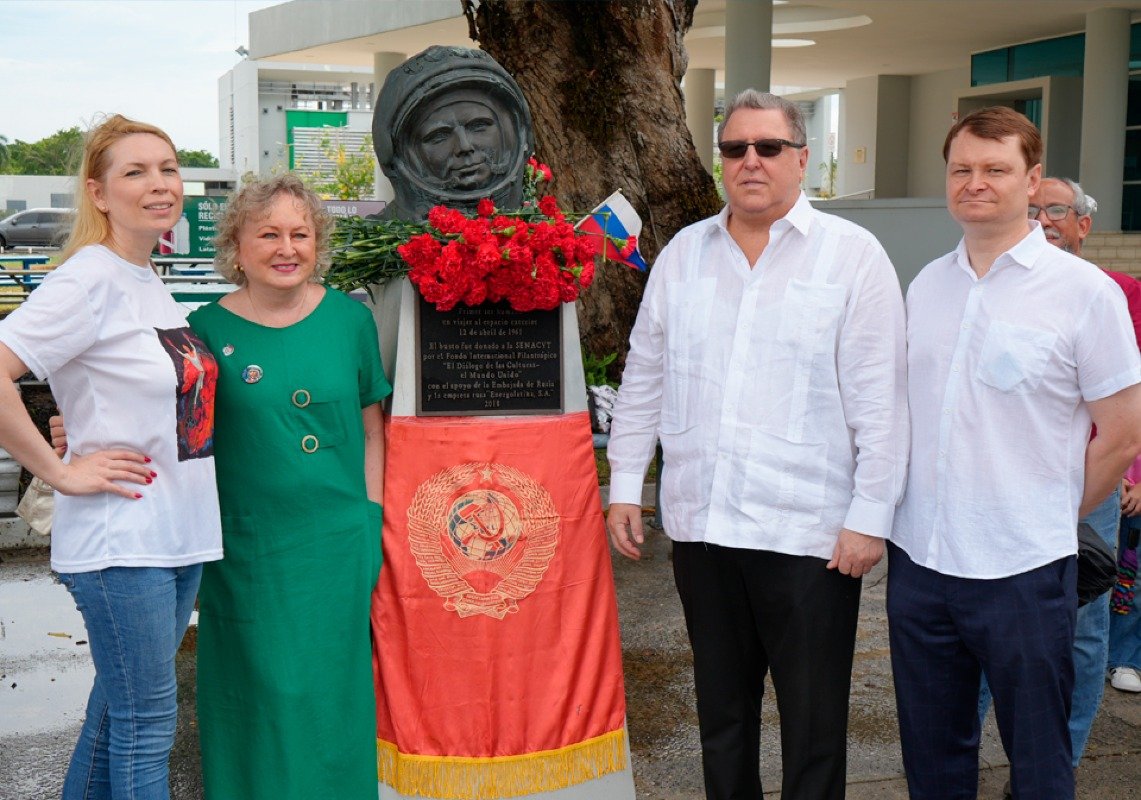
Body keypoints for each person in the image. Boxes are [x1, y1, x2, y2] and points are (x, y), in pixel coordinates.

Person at [606, 89, 908, 800]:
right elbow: (643, 377)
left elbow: (880, 400)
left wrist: (870, 515)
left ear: (801, 159)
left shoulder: (851, 257)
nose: (749, 161)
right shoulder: (684, 254)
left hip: (806, 535)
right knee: (720, 718)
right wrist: (624, 485)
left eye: (767, 148)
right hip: (704, 528)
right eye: (734, 148)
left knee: (812, 727)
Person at [888, 106, 1141, 799]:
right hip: (918, 561)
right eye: (961, 169)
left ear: (1031, 182)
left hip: (1023, 568)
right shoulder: (926, 284)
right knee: (932, 756)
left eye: (994, 169)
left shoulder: (1083, 293)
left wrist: (1049, 518)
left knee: (1037, 760)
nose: (975, 183)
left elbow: (1121, 432)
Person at [0, 114, 222, 799]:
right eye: (135, 172)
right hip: (122, 541)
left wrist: (82, 426)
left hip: (176, 535)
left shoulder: (144, 278)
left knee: (115, 716)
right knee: (145, 724)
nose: (159, 184)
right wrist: (58, 468)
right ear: (98, 193)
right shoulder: (87, 279)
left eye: (168, 168)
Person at [189, 174, 390, 799]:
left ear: (316, 242)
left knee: (332, 693)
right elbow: (170, 427)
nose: (286, 248)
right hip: (246, 547)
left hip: (337, 542)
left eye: (299, 234)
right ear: (237, 245)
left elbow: (372, 428)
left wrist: (371, 517)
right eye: (268, 233)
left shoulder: (350, 321)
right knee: (260, 693)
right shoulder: (202, 328)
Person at [977, 176, 1141, 782]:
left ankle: (1055, 764)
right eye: (1035, 206)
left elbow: (1131, 400)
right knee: (980, 624)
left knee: (1080, 627)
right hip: (996, 485)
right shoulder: (984, 283)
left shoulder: (1117, 291)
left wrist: (1134, 469)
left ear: (1083, 224)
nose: (1044, 218)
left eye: (1057, 210)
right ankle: (961, 751)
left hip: (1088, 484)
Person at [372, 44, 533, 221]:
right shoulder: (374, 242)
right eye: (439, 136)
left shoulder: (547, 238)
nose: (464, 146)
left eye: (479, 126)